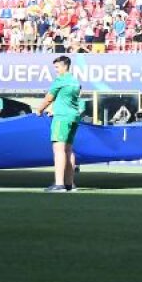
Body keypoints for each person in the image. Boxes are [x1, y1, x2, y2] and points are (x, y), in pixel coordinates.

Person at [37, 55, 81, 192]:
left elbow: (49, 98)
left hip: (61, 118)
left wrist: (39, 110)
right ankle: (69, 184)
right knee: (69, 150)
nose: (56, 70)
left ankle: (59, 184)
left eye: (57, 67)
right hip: (73, 117)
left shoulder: (60, 80)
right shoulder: (75, 81)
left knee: (58, 150)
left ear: (64, 66)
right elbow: (67, 99)